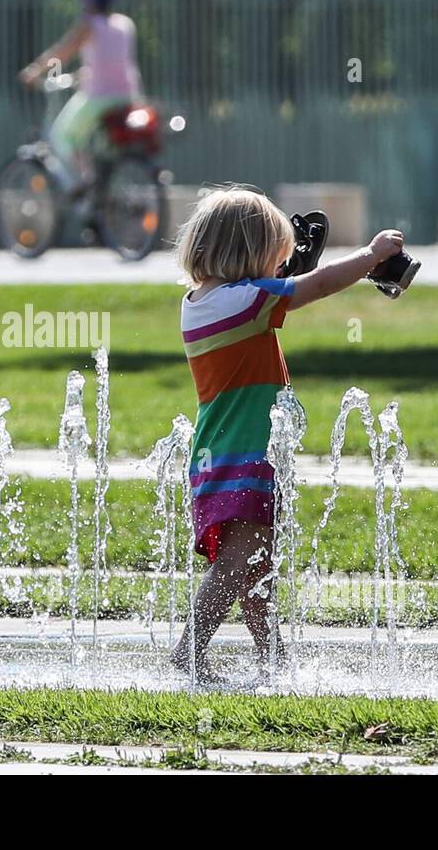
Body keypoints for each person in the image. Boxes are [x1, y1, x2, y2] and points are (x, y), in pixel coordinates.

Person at [172, 187, 405, 683]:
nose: (283, 266)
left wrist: (279, 272)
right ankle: (188, 652)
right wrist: (370, 256)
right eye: (276, 255)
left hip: (218, 450)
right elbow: (313, 287)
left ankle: (271, 660)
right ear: (250, 255)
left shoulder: (202, 302)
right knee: (241, 558)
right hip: (246, 450)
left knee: (255, 562)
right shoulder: (246, 299)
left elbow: (285, 288)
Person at [18, 0, 141, 183]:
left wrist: (34, 71)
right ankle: (100, 187)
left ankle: (85, 183)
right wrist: (82, 74)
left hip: (99, 96)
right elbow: (113, 59)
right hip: (128, 95)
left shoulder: (89, 24)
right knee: (101, 145)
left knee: (62, 136)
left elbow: (62, 52)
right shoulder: (125, 24)